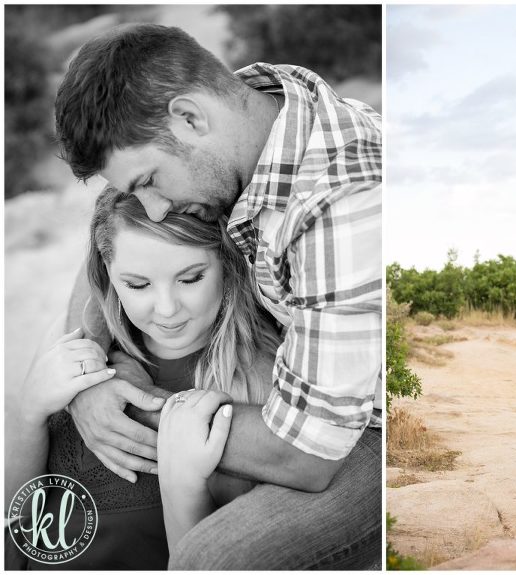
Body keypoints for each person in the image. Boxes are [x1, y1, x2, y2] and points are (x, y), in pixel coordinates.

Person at [53, 23, 381, 569]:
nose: (154, 208)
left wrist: (127, 406)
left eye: (150, 181)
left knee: (213, 557)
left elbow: (306, 452)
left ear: (189, 117)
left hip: (361, 428)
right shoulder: (245, 133)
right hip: (289, 392)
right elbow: (109, 254)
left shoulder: (342, 203)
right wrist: (98, 370)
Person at [6, 189, 278, 569]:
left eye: (190, 278)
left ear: (226, 264)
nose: (166, 309)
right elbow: (14, 533)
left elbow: (210, 561)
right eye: (137, 284)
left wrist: (181, 485)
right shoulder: (75, 338)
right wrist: (28, 414)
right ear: (107, 276)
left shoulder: (252, 386)